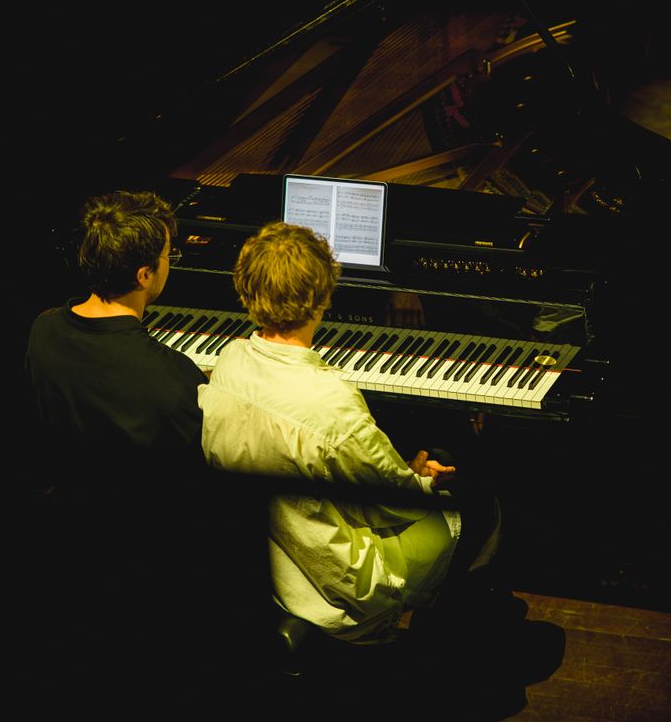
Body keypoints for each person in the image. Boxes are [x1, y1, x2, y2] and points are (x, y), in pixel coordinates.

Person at [198, 221, 502, 644]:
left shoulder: (229, 361)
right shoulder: (330, 401)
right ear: (323, 297)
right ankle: (446, 641)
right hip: (327, 580)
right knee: (478, 506)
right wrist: (418, 480)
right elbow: (390, 506)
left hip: (257, 556)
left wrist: (397, 469)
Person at [24, 189, 222, 710]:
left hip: (69, 537)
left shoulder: (43, 329)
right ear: (144, 275)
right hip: (149, 564)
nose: (170, 265)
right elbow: (200, 485)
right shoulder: (170, 377)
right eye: (169, 257)